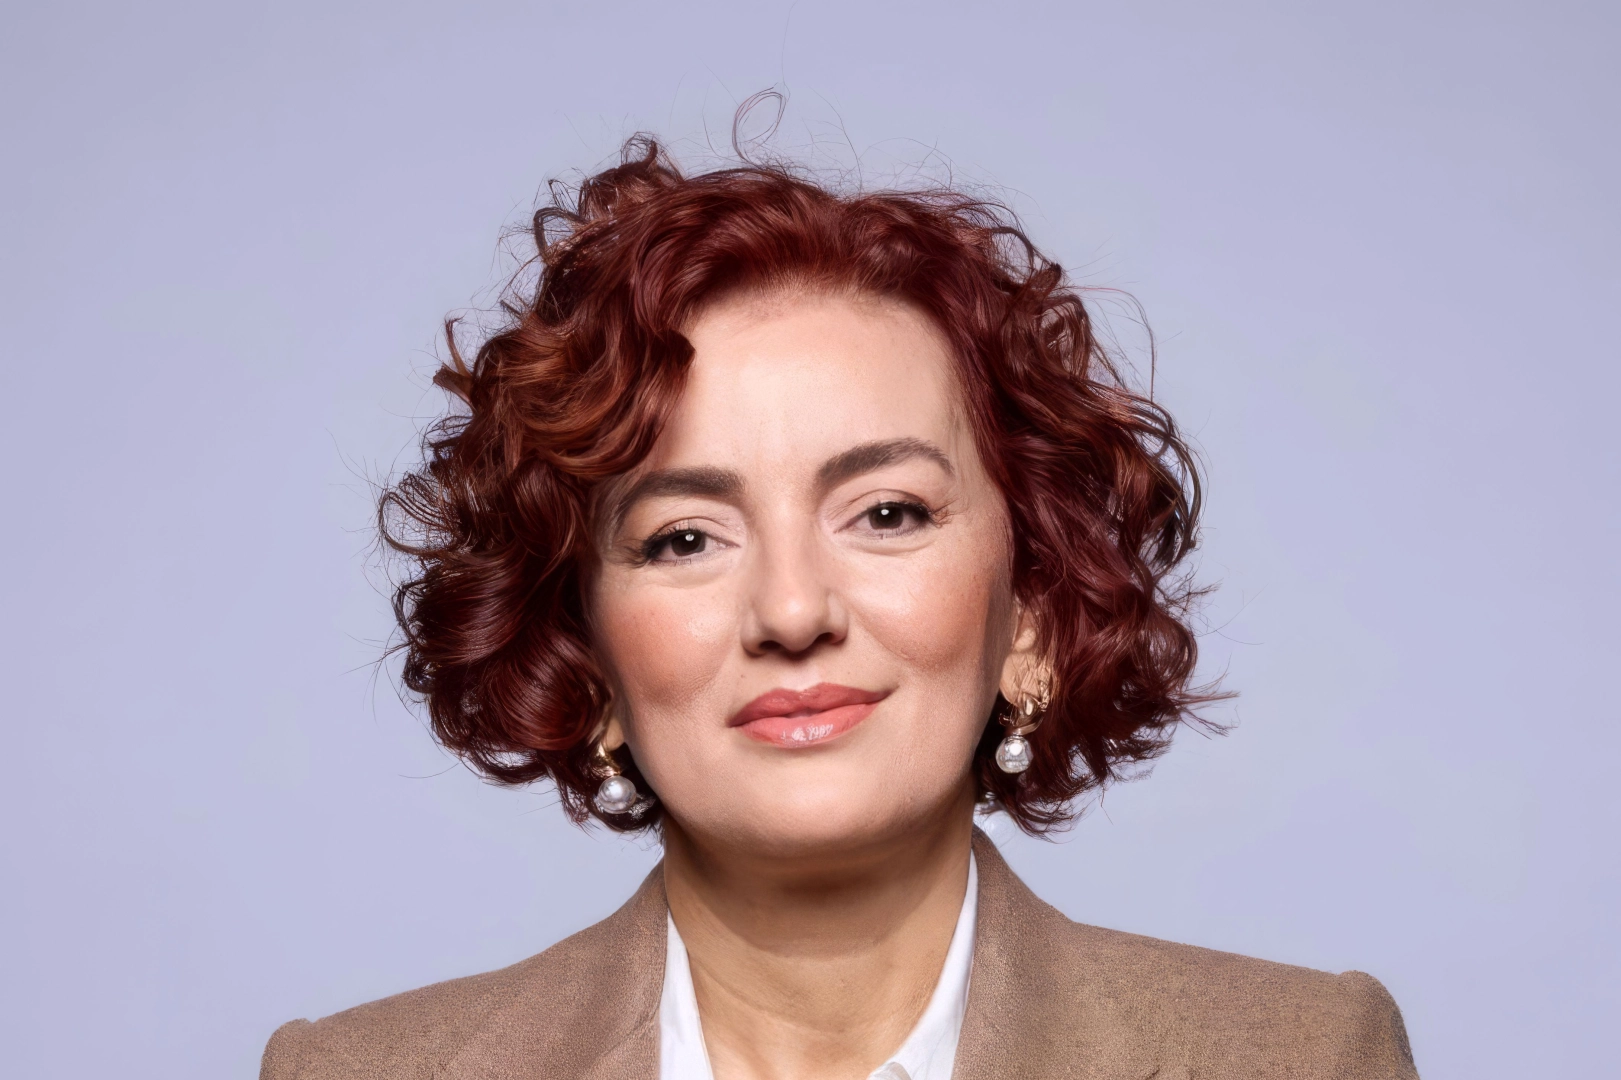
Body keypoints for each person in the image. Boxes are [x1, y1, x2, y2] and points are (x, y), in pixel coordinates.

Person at [260, 133, 1419, 1080]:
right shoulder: (354, 1075)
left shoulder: (1301, 1059)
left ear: (1029, 614)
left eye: (887, 513)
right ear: (587, 656)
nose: (791, 608)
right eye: (684, 537)